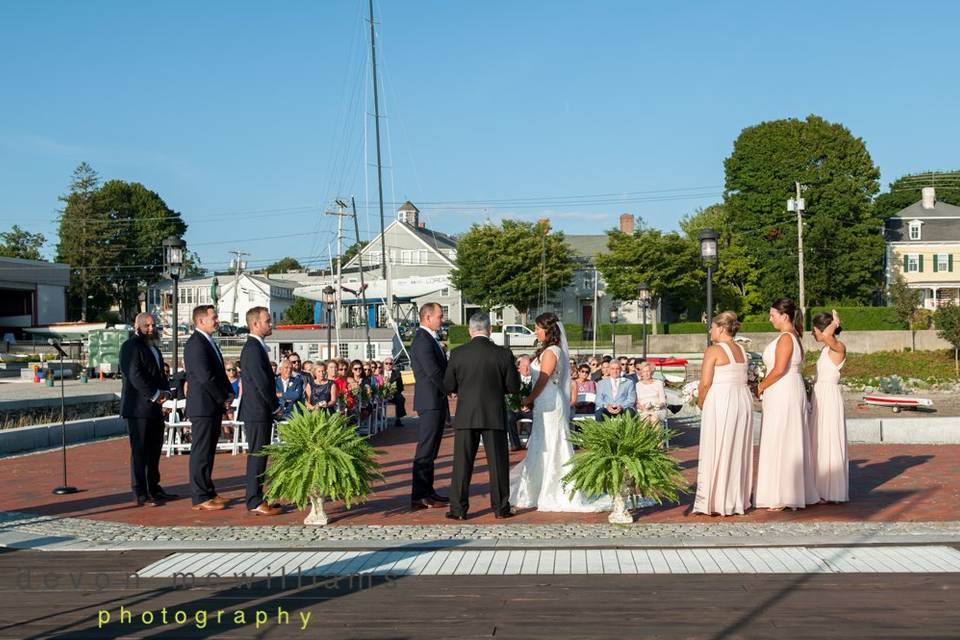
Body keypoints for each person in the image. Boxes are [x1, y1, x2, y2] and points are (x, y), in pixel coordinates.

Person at [509, 312, 612, 512]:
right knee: (541, 442)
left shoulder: (551, 352)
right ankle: (538, 489)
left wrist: (529, 399)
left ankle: (553, 490)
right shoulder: (551, 350)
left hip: (548, 401)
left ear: (549, 330)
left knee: (552, 442)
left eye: (539, 328)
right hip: (545, 401)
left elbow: (543, 378)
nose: (536, 331)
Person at [443, 313, 520, 520]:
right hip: (493, 413)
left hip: (466, 414)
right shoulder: (503, 354)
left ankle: (458, 509)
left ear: (470, 330)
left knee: (462, 464)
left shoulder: (457, 353)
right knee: (497, 464)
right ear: (490, 329)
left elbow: (448, 385)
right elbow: (513, 386)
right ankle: (501, 508)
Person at [755, 298, 820, 510]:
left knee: (781, 436)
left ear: (785, 316)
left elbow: (780, 368)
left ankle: (783, 493)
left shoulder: (786, 337)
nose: (770, 318)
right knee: (786, 436)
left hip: (783, 389)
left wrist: (761, 385)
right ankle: (789, 490)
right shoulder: (794, 336)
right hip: (788, 388)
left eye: (773, 314)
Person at [692, 312, 754, 516]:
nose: (710, 331)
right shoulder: (742, 350)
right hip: (742, 400)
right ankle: (734, 498)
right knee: (736, 448)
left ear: (720, 328)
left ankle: (714, 501)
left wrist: (702, 402)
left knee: (716, 446)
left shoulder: (714, 350)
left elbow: (705, 383)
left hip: (721, 400)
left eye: (711, 327)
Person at [119, 312, 176, 507]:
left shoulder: (154, 349)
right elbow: (134, 375)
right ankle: (140, 491)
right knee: (140, 451)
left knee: (154, 450)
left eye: (153, 325)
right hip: (137, 408)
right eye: (147, 325)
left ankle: (154, 486)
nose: (151, 329)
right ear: (137, 327)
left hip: (155, 408)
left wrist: (166, 392)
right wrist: (154, 394)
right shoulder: (130, 347)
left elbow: (161, 375)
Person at [184, 305, 234, 511]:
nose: (217, 321)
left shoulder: (208, 341)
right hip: (203, 405)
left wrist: (229, 392)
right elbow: (205, 377)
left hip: (212, 405)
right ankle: (199, 496)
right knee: (201, 451)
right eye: (213, 318)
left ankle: (208, 490)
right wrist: (221, 398)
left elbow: (219, 373)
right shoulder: (196, 344)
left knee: (209, 450)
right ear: (201, 321)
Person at [238, 306, 283, 516]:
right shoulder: (253, 348)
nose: (270, 324)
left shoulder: (257, 347)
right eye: (267, 320)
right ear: (255, 324)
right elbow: (261, 382)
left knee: (261, 454)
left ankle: (258, 496)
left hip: (259, 410)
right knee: (257, 454)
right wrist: (275, 406)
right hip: (257, 410)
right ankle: (254, 499)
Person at [409, 302, 450, 510]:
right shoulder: (422, 340)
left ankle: (428, 489)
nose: (441, 320)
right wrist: (449, 387)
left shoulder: (430, 339)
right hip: (430, 401)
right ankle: (419, 494)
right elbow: (433, 371)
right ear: (427, 318)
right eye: (439, 316)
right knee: (425, 448)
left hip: (436, 400)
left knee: (432, 449)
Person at [810, 310, 849, 503]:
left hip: (830, 397)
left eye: (814, 330)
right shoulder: (826, 350)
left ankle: (832, 490)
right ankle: (820, 487)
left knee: (829, 438)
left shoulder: (838, 347)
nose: (814, 335)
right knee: (819, 440)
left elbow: (826, 335)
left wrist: (835, 322)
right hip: (819, 395)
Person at [505, 356, 533, 452]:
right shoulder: (513, 378)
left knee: (539, 416)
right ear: (519, 367)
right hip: (516, 409)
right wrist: (519, 406)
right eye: (524, 366)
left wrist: (530, 405)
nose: (526, 369)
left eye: (528, 366)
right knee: (509, 417)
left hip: (531, 408)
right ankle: (515, 444)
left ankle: (532, 441)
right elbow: (509, 396)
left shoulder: (536, 378)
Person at [382, 357, 406, 427]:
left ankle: (398, 419)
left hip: (394, 395)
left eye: (390, 363)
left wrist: (394, 392)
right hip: (381, 394)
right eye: (386, 363)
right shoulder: (380, 373)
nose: (388, 365)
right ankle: (379, 417)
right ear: (383, 364)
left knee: (400, 398)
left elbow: (401, 387)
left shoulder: (397, 374)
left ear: (393, 365)